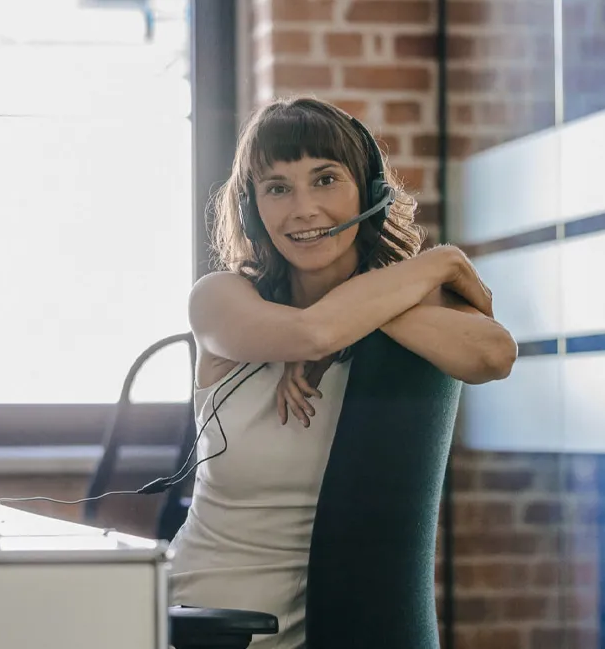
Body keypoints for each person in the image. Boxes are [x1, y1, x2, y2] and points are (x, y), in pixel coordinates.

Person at [168, 96, 517, 648]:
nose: (303, 208)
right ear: (253, 208)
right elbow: (312, 334)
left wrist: (374, 306)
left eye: (325, 179)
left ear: (370, 192)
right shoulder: (220, 300)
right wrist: (439, 262)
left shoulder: (404, 309)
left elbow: (494, 355)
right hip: (199, 622)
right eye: (277, 188)